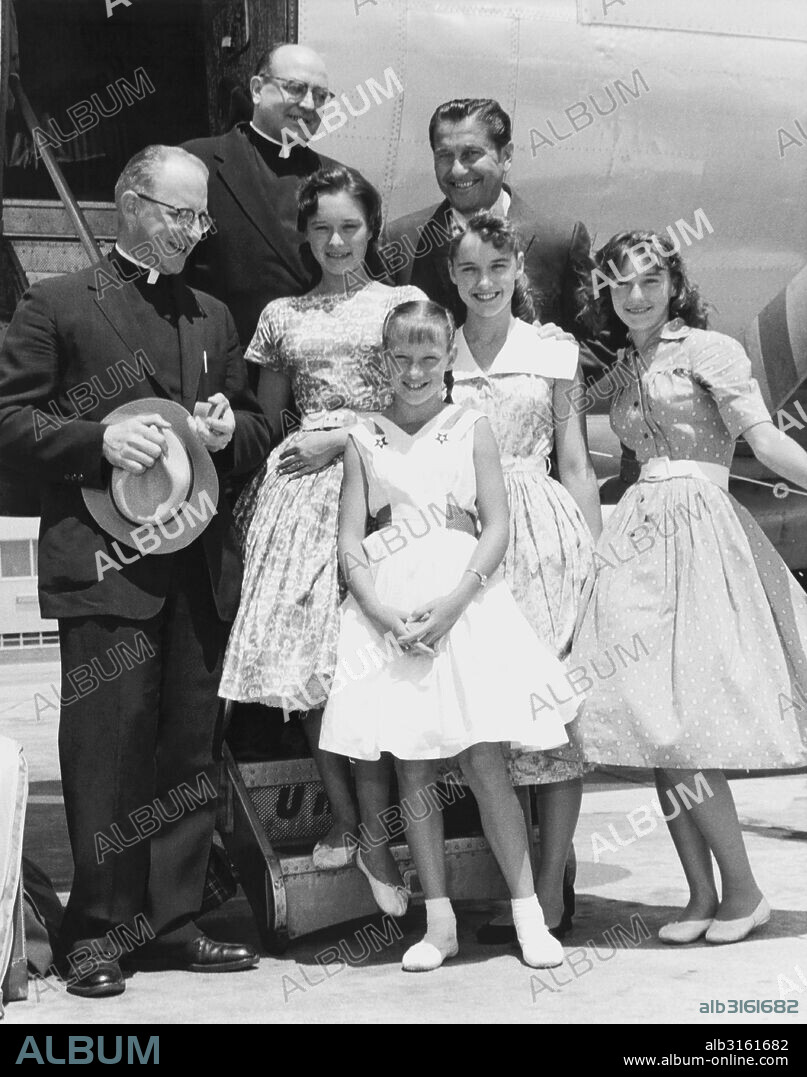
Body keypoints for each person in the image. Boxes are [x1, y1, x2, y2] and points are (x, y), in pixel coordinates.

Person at [0, 145, 272, 997]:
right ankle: (96, 932)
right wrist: (97, 440)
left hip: (195, 564)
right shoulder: (56, 303)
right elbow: (8, 421)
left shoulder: (214, 315)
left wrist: (230, 432)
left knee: (189, 748)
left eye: (200, 217)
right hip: (104, 564)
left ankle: (176, 921)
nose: (192, 231)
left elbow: (255, 427)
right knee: (108, 752)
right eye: (177, 213)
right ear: (129, 203)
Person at [320, 299, 581, 972]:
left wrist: (455, 601)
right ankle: (438, 924)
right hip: (392, 610)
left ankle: (529, 916)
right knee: (412, 765)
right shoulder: (363, 435)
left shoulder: (470, 425)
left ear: (447, 362)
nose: (414, 372)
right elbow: (350, 540)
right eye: (401, 359)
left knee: (483, 760)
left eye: (428, 358)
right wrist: (380, 612)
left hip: (462, 604)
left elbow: (496, 525)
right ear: (384, 361)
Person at [572, 230, 807, 944]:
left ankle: (745, 893)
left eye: (650, 280)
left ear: (674, 285)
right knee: (657, 726)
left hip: (701, 534)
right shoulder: (622, 365)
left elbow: (763, 440)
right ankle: (701, 896)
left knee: (686, 729)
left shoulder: (711, 350)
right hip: (638, 539)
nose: (636, 296)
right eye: (621, 284)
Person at [219, 165, 425, 877]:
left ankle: (397, 828)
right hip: (300, 497)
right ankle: (348, 821)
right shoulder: (282, 315)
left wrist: (343, 438)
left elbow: (420, 402)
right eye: (321, 228)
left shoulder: (403, 305)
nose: (336, 242)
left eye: (350, 227)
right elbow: (272, 419)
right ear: (304, 235)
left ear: (372, 229)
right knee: (314, 668)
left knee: (384, 660)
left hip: (384, 484)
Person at [444, 211, 602, 942]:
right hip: (463, 535)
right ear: (452, 277)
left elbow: (574, 461)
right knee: (487, 725)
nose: (484, 283)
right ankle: (519, 893)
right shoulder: (438, 349)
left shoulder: (552, 349)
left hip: (543, 536)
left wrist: (594, 560)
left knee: (552, 714)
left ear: (518, 272)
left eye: (497, 268)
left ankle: (551, 889)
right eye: (469, 270)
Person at [384, 97, 613, 381]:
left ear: (506, 156)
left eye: (471, 154)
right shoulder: (401, 242)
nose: (457, 170)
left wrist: (561, 361)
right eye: (444, 156)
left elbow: (601, 342)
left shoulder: (560, 241)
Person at [183, 43, 358, 349]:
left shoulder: (344, 181)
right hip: (225, 367)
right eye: (295, 89)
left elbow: (366, 284)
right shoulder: (197, 164)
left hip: (317, 364)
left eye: (320, 96)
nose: (309, 104)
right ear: (257, 89)